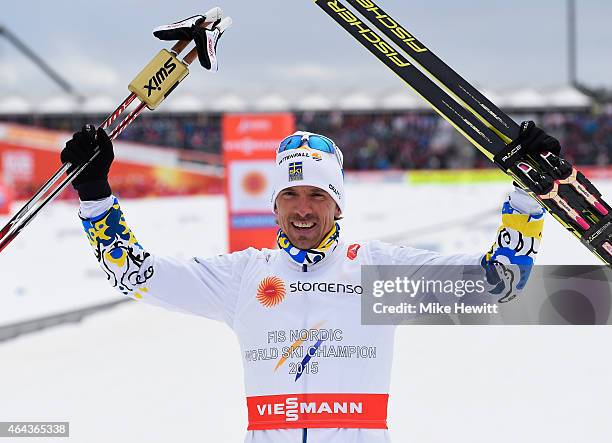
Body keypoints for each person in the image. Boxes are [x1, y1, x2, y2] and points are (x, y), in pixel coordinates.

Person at [61, 115, 554, 441]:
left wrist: (527, 199)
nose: (303, 209)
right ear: (273, 205)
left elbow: (499, 282)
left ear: (338, 204)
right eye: (291, 195)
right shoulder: (243, 276)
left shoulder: (374, 271)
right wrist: (96, 195)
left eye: (317, 195)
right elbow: (135, 276)